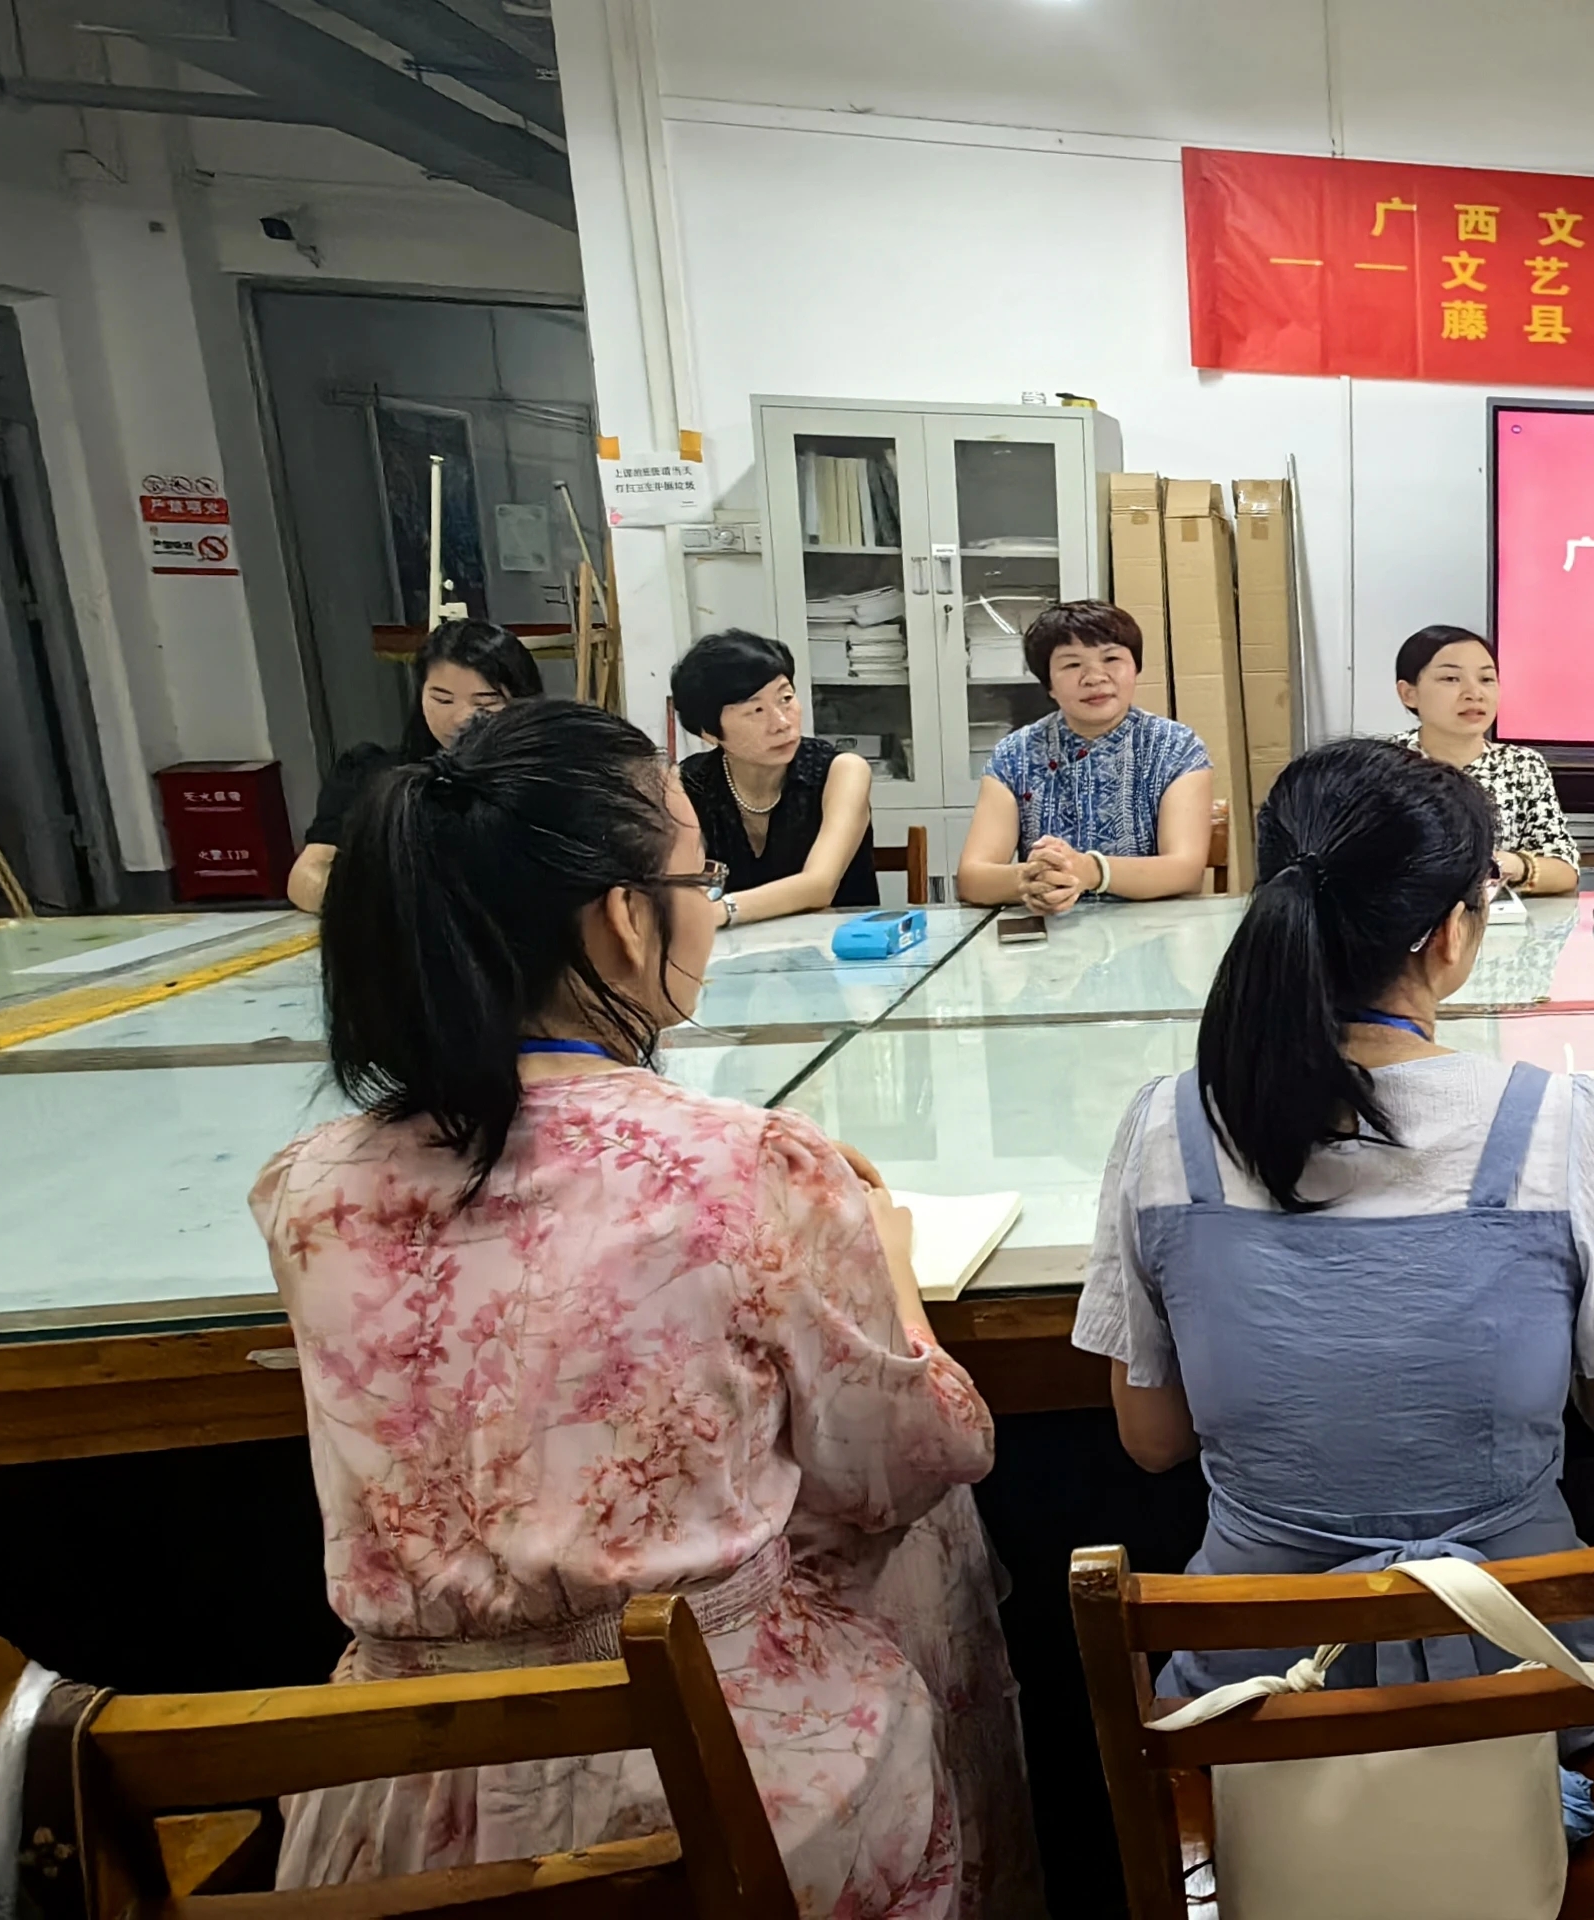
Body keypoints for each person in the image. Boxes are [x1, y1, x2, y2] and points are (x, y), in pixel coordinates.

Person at [254, 701, 1028, 1918]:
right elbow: (909, 1460)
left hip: (404, 1799)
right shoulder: (747, 1166)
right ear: (623, 918)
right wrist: (892, 1276)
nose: (707, 908)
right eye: (697, 879)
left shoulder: (307, 1190)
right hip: (713, 1781)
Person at [1074, 739, 1594, 1703]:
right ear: (1448, 934)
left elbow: (1153, 1438)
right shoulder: (1560, 1122)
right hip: (1525, 1688)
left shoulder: (1168, 1125)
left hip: (1261, 1695)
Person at [959, 600, 1214, 912]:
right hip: (1051, 927)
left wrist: (1091, 871)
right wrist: (1029, 880)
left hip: (1154, 927)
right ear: (1048, 684)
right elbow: (972, 879)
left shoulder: (1176, 748)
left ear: (1135, 668)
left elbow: (1185, 871)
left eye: (1111, 658)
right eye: (1071, 665)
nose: (1094, 677)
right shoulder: (1015, 755)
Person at [287, 617, 540, 913]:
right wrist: (383, 907)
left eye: (485, 703)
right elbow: (307, 873)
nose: (462, 718)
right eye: (442, 700)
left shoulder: (550, 782)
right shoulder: (372, 774)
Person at [671, 628, 879, 925]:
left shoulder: (843, 771)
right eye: (756, 710)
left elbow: (818, 886)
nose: (782, 723)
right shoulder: (685, 786)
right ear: (709, 732)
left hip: (840, 946)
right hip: (731, 951)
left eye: (786, 698)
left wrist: (718, 911)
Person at [1389, 623, 1579, 895]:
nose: (1474, 693)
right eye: (1451, 679)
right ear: (1409, 693)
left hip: (1497, 916)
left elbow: (1564, 869)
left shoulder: (1521, 766)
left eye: (1486, 679)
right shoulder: (1382, 766)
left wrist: (1513, 866)